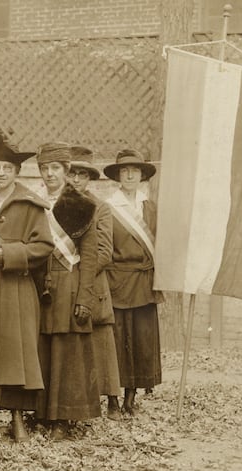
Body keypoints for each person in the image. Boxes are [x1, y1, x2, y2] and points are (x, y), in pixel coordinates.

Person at [0, 133, 54, 443]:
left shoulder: (31, 205)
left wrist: (9, 253)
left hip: (18, 289)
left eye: (6, 168)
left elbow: (44, 246)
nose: (1, 173)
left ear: (17, 172)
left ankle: (17, 418)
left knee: (16, 355)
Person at [32, 141, 100, 440]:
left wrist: (85, 297)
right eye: (45, 169)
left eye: (55, 169)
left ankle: (64, 418)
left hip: (70, 283)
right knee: (43, 350)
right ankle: (43, 414)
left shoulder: (81, 205)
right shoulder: (34, 203)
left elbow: (91, 256)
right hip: (41, 285)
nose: (50, 175)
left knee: (67, 352)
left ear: (67, 171)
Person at [103, 149, 163, 415]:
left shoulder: (150, 207)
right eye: (124, 171)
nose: (129, 175)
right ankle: (113, 400)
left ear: (141, 176)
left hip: (144, 282)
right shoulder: (108, 207)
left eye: (134, 171)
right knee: (117, 340)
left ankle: (131, 397)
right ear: (118, 175)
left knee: (141, 340)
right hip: (117, 282)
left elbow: (160, 244)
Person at [67, 146, 123, 420]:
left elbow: (104, 252)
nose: (76, 180)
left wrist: (79, 276)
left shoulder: (101, 208)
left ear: (89, 178)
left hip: (92, 284)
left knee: (102, 343)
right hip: (65, 285)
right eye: (72, 174)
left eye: (82, 175)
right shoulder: (56, 205)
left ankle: (112, 400)